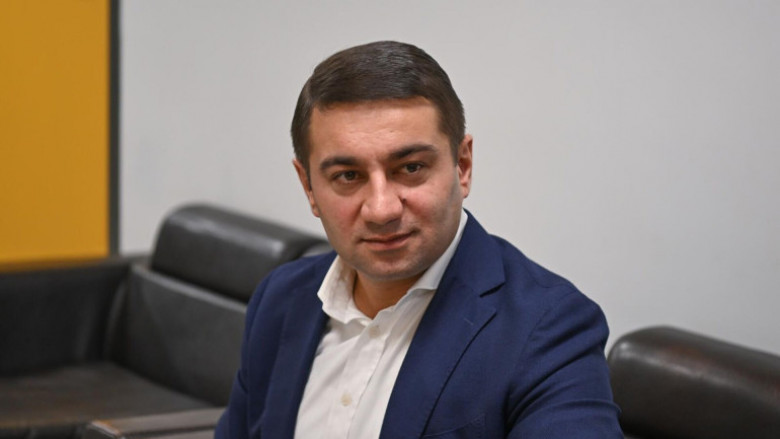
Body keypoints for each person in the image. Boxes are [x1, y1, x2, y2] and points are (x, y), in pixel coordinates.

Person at [216, 40, 622, 439]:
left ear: (462, 166)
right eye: (348, 176)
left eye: (410, 168)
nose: (381, 209)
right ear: (308, 187)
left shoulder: (549, 328)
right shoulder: (280, 298)